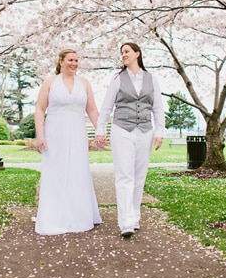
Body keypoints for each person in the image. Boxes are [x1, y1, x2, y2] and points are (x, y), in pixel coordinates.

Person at [95, 42, 166, 238]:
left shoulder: (151, 79)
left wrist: (160, 131)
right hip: (122, 129)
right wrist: (101, 130)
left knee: (139, 176)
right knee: (124, 175)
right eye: (122, 53)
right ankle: (125, 221)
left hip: (145, 130)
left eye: (127, 52)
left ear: (137, 53)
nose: (123, 55)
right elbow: (107, 106)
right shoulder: (117, 78)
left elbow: (157, 107)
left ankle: (135, 217)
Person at [34, 48, 102, 235]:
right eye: (71, 60)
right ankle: (54, 215)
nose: (74, 63)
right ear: (61, 61)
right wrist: (40, 136)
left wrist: (101, 130)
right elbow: (40, 109)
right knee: (56, 171)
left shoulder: (85, 83)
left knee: (77, 170)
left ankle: (79, 215)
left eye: (77, 60)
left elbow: (92, 109)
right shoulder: (49, 83)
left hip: (78, 132)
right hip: (54, 132)